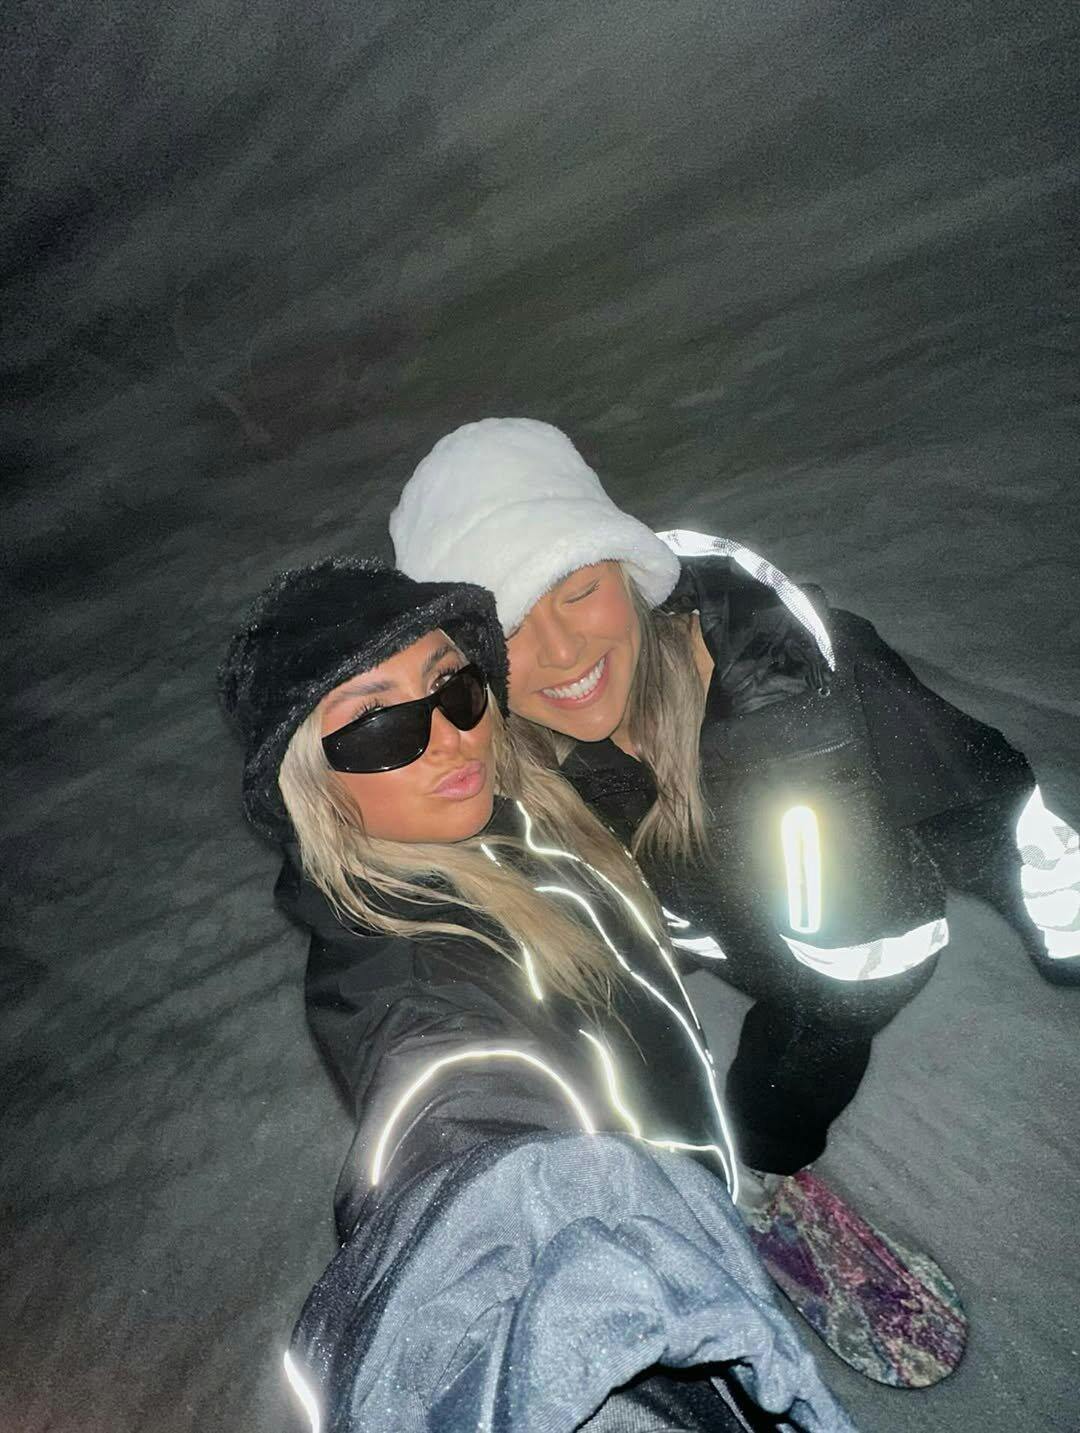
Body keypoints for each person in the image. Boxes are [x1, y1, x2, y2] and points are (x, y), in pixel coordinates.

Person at [218, 557, 855, 1433]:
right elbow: (474, 1200)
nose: (450, 738)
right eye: (376, 724)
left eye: (453, 686)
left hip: (676, 1145)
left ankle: (729, 1193)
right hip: (630, 1226)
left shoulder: (514, 806)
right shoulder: (418, 989)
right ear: (310, 785)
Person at [390, 417, 1080, 1187]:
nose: (562, 651)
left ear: (630, 572)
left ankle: (769, 1166)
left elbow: (973, 796)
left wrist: (1061, 914)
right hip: (716, 926)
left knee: (778, 1098)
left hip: (849, 966)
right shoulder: (502, 766)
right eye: (512, 627)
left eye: (578, 590)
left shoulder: (811, 695)